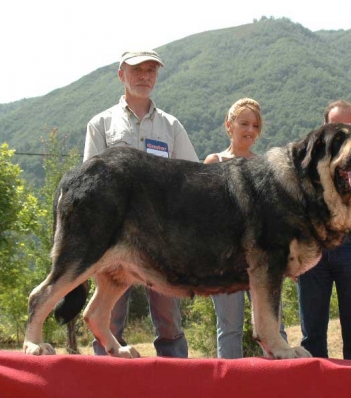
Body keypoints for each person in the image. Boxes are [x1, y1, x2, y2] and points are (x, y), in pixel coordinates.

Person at [84, 49, 198, 358]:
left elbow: (192, 178)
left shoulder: (171, 126)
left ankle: (174, 386)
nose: (144, 76)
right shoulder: (101, 124)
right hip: (114, 242)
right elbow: (90, 186)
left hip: (164, 241)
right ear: (121, 75)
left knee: (170, 322)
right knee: (109, 318)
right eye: (137, 70)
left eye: (151, 70)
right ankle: (106, 387)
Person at [297, 100, 351, 360]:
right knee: (312, 335)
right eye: (338, 126)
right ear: (325, 128)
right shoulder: (308, 162)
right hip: (314, 251)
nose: (346, 132)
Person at [205, 98, 286, 358]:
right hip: (224, 260)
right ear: (229, 125)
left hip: (260, 260)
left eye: (255, 125)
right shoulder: (213, 161)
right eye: (243, 123)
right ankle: (228, 386)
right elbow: (201, 215)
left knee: (275, 327)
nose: (249, 130)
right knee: (229, 328)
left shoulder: (265, 167)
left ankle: (282, 382)